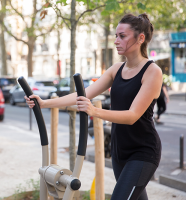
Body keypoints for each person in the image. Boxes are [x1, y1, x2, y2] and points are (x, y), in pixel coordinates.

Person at [25, 13, 162, 200]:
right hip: (119, 151)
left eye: (122, 36)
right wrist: (44, 103)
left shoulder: (152, 71)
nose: (116, 41)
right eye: (116, 35)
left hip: (143, 152)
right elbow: (83, 94)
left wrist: (94, 111)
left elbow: (132, 116)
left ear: (140, 38)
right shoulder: (116, 69)